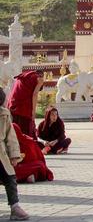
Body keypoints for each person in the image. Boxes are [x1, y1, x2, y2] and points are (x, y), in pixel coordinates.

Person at [0, 89, 29, 220]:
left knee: (10, 177)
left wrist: (14, 155)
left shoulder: (4, 114)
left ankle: (15, 207)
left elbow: (10, 137)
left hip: (0, 154)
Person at [8, 71, 44, 139]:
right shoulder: (39, 79)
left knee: (16, 131)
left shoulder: (25, 76)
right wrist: (33, 111)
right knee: (26, 132)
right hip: (24, 108)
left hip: (13, 104)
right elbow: (35, 94)